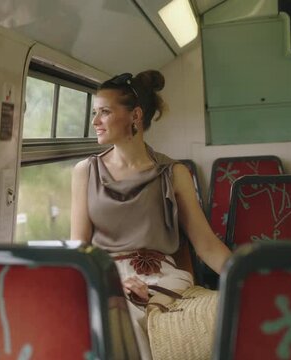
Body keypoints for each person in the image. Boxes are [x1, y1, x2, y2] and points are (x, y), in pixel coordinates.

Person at [70, 70, 231, 359]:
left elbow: (206, 245)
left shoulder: (173, 173)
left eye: (104, 112)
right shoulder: (85, 172)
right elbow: (80, 249)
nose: (94, 122)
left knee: (125, 318)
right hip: (105, 276)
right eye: (95, 113)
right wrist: (109, 281)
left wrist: (252, 280)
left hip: (163, 277)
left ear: (136, 116)